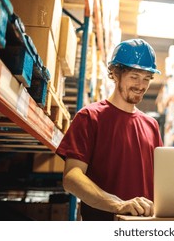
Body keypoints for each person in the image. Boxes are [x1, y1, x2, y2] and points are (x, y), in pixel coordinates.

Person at [56, 39, 163, 220]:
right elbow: (72, 177)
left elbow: (161, 179)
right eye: (134, 77)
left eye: (147, 79)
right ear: (115, 73)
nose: (141, 86)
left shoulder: (151, 125)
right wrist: (118, 205)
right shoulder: (90, 117)